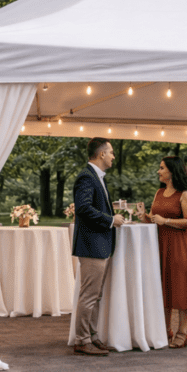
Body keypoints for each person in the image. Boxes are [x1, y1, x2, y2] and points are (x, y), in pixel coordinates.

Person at [71, 138, 125, 356]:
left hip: (99, 245)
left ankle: (92, 336)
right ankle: (82, 340)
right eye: (111, 152)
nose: (113, 156)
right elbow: (83, 208)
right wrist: (111, 220)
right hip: (92, 245)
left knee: (96, 296)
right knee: (89, 295)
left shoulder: (96, 177)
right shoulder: (86, 177)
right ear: (101, 154)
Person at [140, 156, 187, 348]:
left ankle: (182, 332)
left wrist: (165, 221)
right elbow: (154, 219)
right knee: (163, 289)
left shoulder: (185, 195)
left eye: (162, 168)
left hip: (179, 246)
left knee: (181, 288)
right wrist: (144, 217)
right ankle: (165, 331)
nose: (158, 171)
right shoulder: (159, 193)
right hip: (160, 246)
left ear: (172, 171)